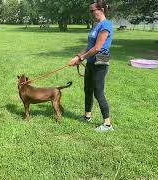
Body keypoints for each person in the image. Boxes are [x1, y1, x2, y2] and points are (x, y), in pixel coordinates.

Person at [70, 0, 113, 132]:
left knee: (98, 92)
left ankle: (107, 124)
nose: (91, 13)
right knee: (88, 89)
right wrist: (78, 56)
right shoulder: (96, 25)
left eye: (92, 10)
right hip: (91, 61)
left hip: (101, 60)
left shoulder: (106, 25)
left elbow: (97, 48)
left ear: (101, 9)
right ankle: (87, 116)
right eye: (90, 11)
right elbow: (89, 46)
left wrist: (81, 58)